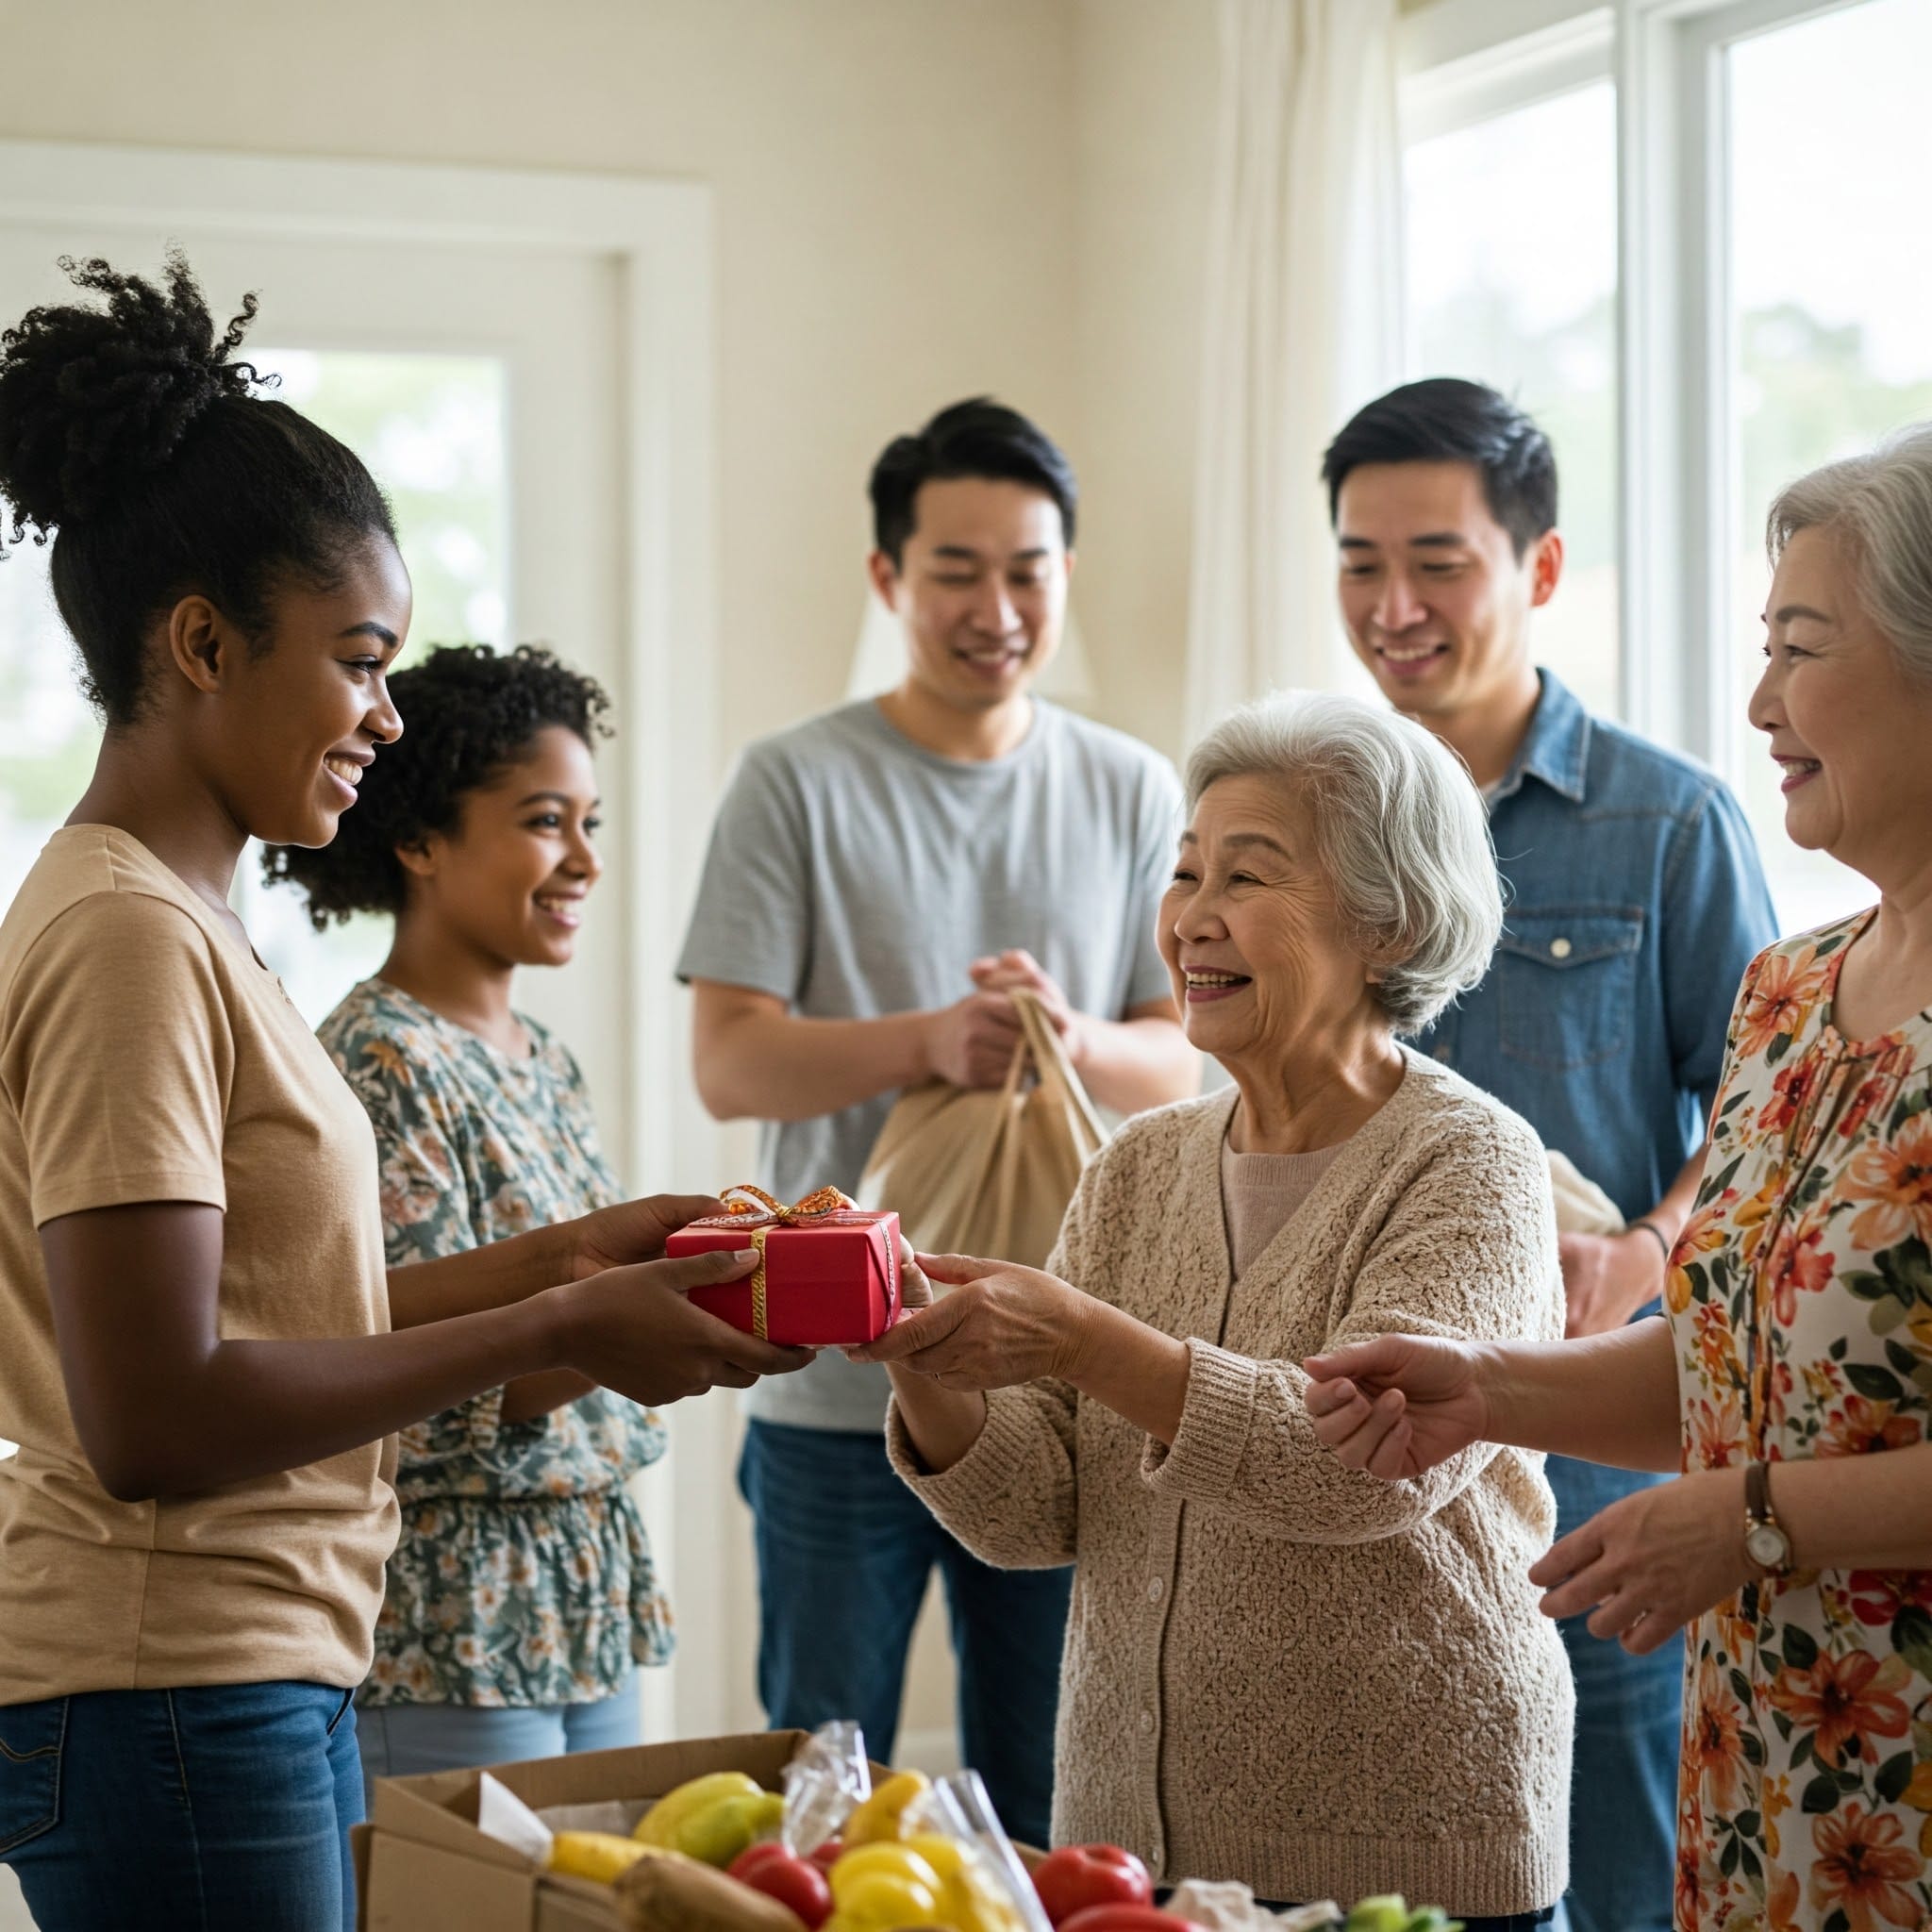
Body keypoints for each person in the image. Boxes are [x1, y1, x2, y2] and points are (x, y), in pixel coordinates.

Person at [0, 255, 807, 1932]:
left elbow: (282, 1313)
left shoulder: (184, 921)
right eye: (361, 659)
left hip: (228, 1670)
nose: (384, 715)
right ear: (202, 641)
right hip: (171, 1683)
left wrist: (575, 1264)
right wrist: (549, 1334)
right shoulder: (130, 936)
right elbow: (155, 1418)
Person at [1304, 425, 1932, 1932]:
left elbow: (1762, 1469)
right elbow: (1745, 1377)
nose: (1759, 701)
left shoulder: (1670, 828)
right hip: (1768, 1768)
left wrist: (1757, 1520)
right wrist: (1492, 1390)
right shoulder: (1791, 992)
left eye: (1801, 647)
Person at [855, 691, 1572, 1928]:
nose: (1191, 918)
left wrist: (1081, 1338)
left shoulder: (1471, 1162)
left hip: (1411, 1838)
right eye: (1185, 873)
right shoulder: (1139, 1165)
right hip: (1136, 1851)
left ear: (1387, 922)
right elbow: (1041, 1513)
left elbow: (1360, 1466)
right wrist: (922, 1359)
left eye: (1248, 875)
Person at [676, 398, 1198, 1845]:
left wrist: (1071, 1038)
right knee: (817, 1792)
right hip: (832, 1385)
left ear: (1066, 578)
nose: (996, 607)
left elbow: (1188, 1056)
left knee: (1045, 1791)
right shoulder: (796, 781)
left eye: (1028, 569)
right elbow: (729, 1064)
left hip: (1051, 1371)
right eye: (957, 570)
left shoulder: (1134, 787)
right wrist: (928, 1041)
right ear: (886, 577)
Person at [263, 643, 671, 1794]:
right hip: (457, 1615)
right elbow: (394, 1378)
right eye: (547, 820)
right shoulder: (378, 1061)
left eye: (591, 821)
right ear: (421, 840)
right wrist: (642, 1319)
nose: (584, 857)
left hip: (582, 1590)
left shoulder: (543, 1058)